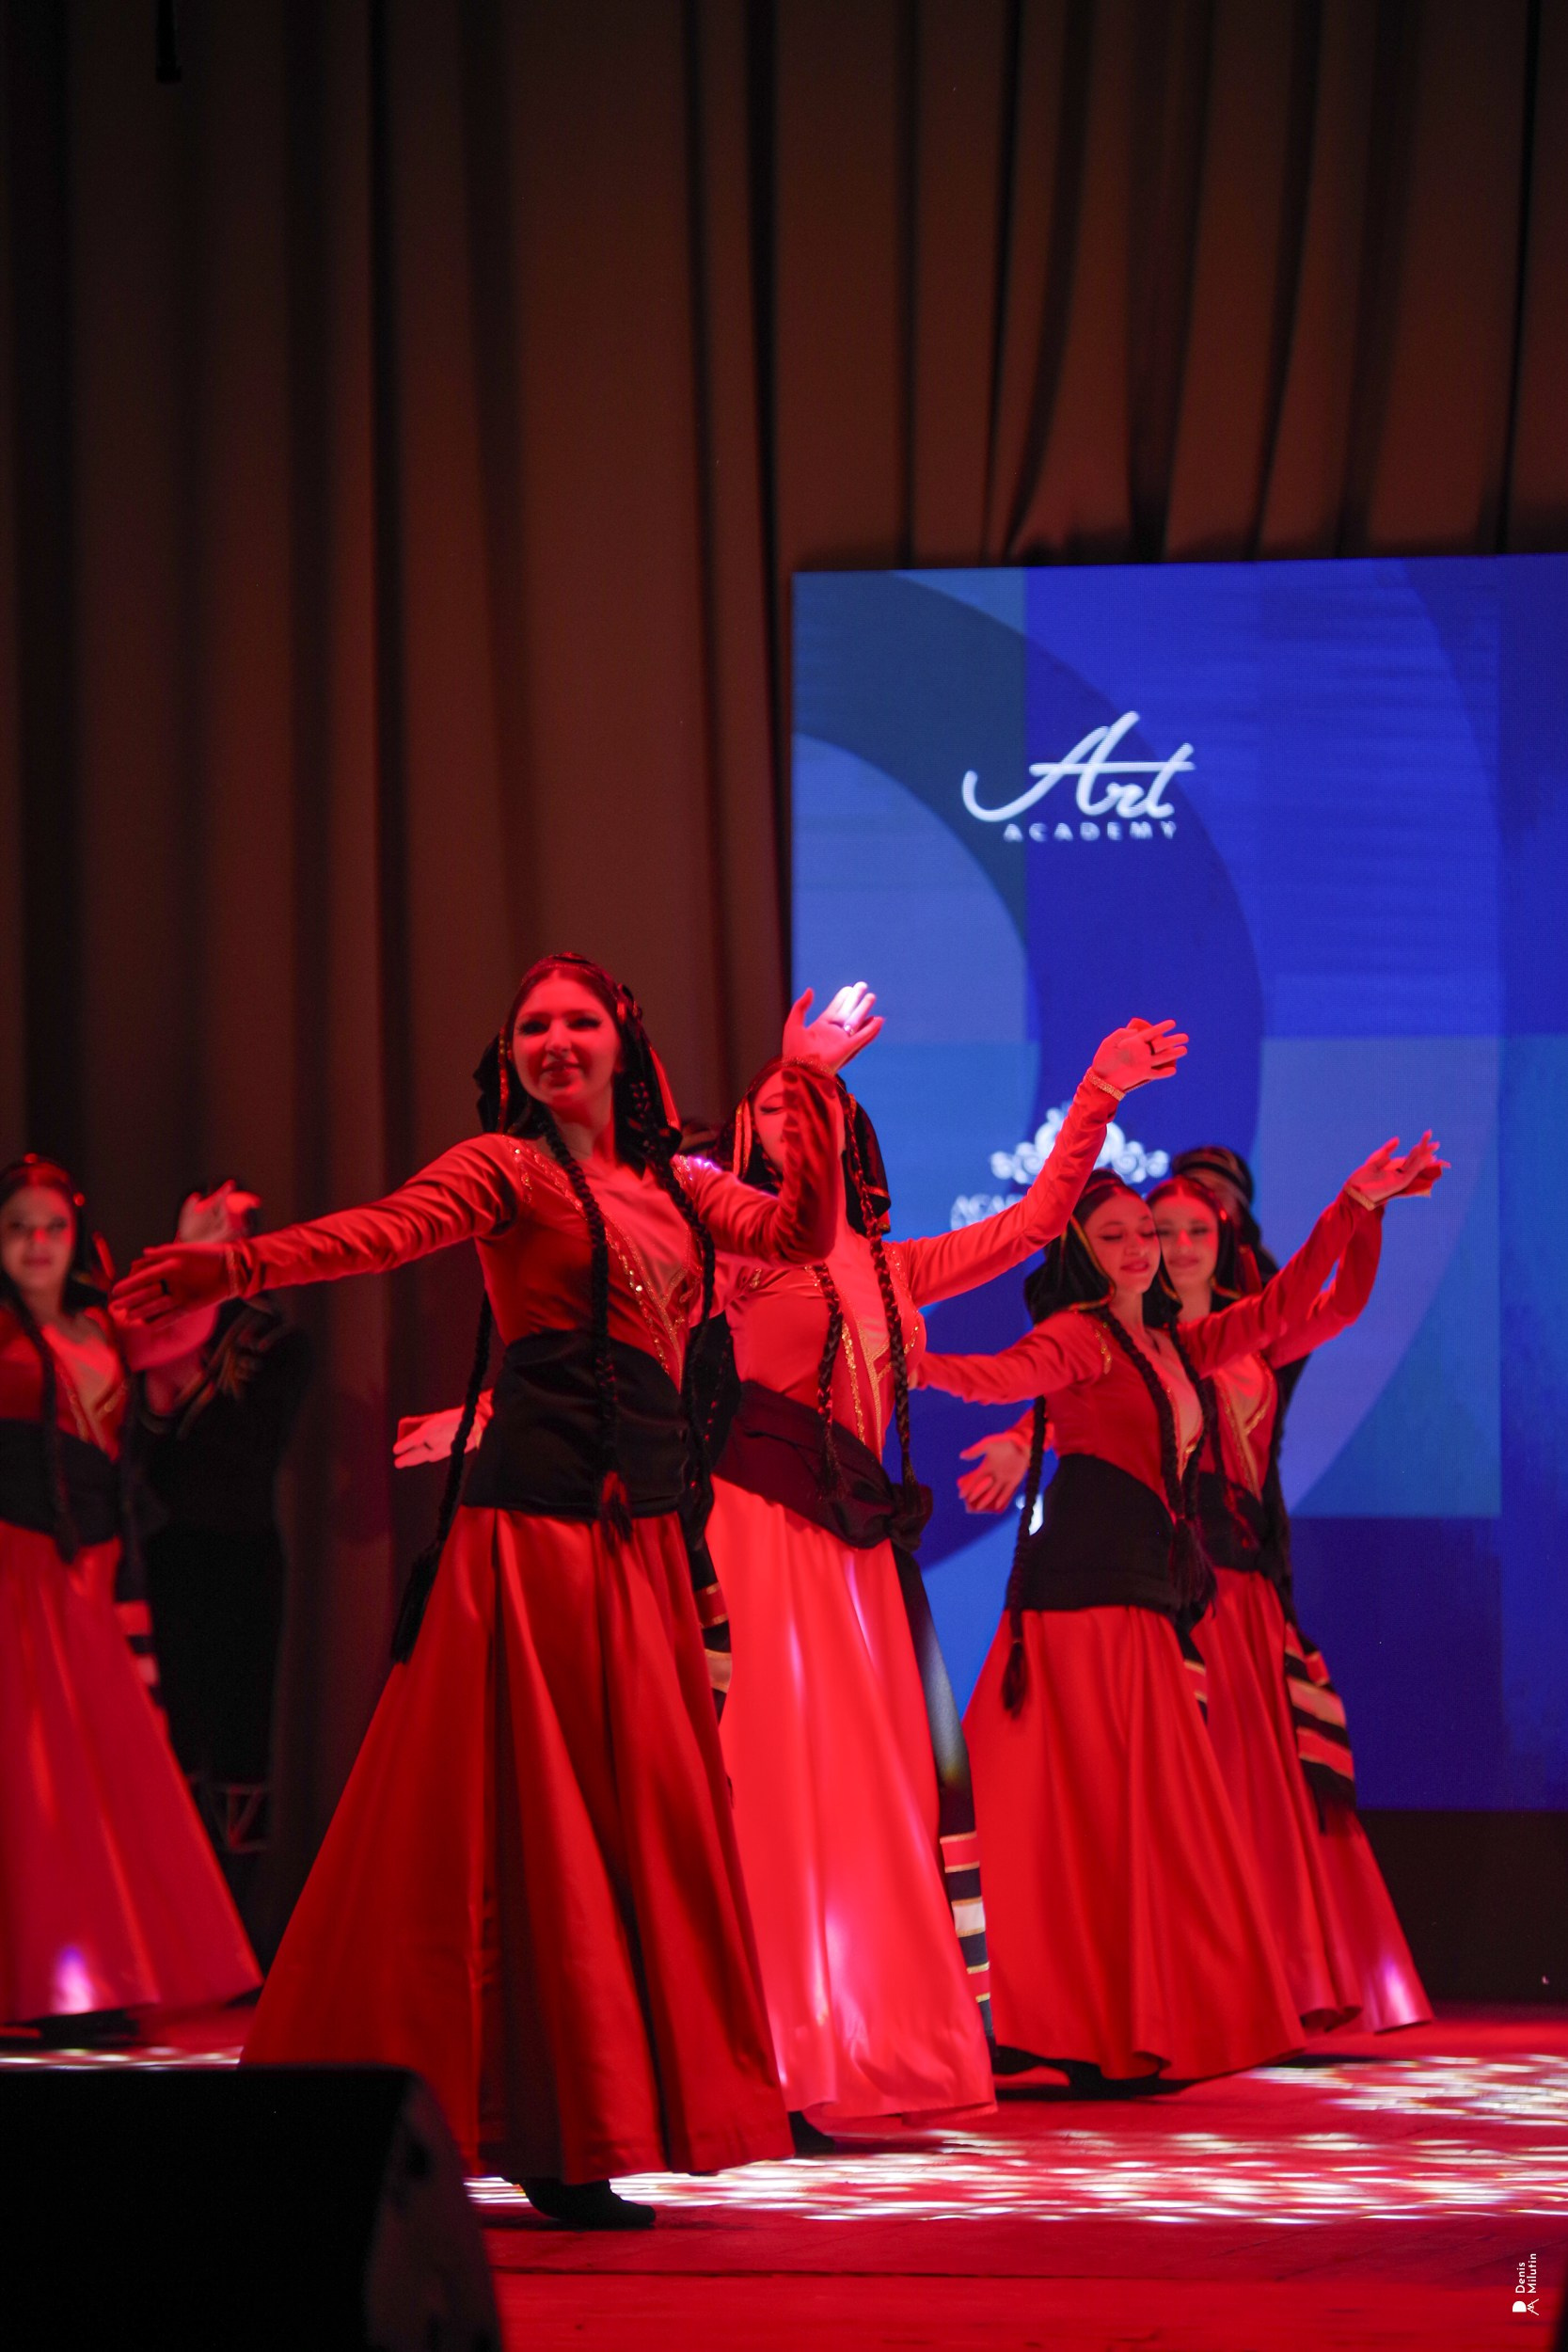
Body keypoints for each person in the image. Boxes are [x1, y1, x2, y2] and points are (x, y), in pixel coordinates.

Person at [115, 954, 858, 2229]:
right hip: (530, 1540)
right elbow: (376, 1232)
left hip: (640, 1543)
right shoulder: (503, 1169)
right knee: (526, 1827)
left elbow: (798, 1237)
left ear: (623, 1040)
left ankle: (592, 2115)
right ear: (510, 1053)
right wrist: (228, 1271)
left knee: (634, 1825)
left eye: (577, 1020)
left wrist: (808, 1083)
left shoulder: (683, 1186)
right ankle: (539, 2131)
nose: (553, 1040)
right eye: (531, 1025)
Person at [704, 1015, 1186, 2137]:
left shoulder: (890, 1264)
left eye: (809, 1104)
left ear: (846, 1131)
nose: (791, 1118)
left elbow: (1033, 1223)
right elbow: (626, 1332)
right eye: (772, 1106)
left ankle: (833, 2045)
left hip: (856, 1552)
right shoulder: (730, 1247)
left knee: (861, 1800)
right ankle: (758, 2052)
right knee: (770, 1788)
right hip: (760, 1533)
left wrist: (1097, 1092)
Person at [916, 1135, 1442, 2085]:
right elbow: (1001, 1377)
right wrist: (914, 1360)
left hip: (1146, 1598)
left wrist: (1355, 1207)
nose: (1138, 1247)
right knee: (1071, 1818)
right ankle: (1052, 2021)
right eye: (1114, 1234)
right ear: (1080, 1250)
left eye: (1145, 1233)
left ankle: (1122, 2022)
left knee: (1143, 1824)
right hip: (1079, 1598)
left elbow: (1292, 1303)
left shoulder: (1178, 1344)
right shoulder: (1077, 1336)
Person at [1149, 1167, 1434, 2033]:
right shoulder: (1133, 1340)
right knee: (1187, 1786)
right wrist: (1019, 1442)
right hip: (1169, 1588)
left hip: (1244, 1587)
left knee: (1259, 1787)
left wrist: (1366, 1215)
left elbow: (1341, 1303)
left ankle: (1272, 1982)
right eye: (1162, 1231)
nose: (1180, 1247)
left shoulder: (1251, 1334)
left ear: (1224, 1241)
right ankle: (1190, 1987)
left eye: (1197, 1231)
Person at [0, 1156, 260, 2041]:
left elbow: (177, 1329)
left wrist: (197, 1249)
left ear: (76, 1235)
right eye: (17, 1227)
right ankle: (54, 1980)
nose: (37, 1243)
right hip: (16, 1575)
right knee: (35, 1776)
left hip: (89, 1578)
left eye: (52, 1226)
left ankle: (89, 1973)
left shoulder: (103, 1328)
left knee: (92, 1777)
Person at [140, 1182, 313, 1909]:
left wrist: (179, 1383)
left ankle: (235, 1921)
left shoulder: (278, 1342)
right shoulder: (156, 1324)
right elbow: (143, 1450)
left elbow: (248, 1450)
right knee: (171, 1732)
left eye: (229, 1227)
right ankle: (170, 1915)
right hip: (171, 1552)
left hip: (244, 1556)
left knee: (242, 1738)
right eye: (205, 1225)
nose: (217, 1234)